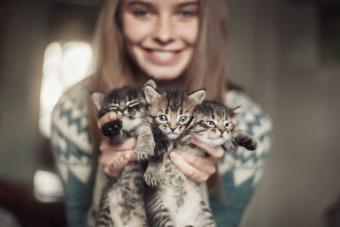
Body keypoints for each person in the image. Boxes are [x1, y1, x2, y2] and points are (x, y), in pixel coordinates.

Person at [51, 0, 272, 227]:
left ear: (209, 23)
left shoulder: (249, 124)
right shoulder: (74, 113)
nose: (164, 34)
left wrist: (197, 180)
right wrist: (108, 179)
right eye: (142, 12)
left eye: (185, 12)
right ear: (116, 19)